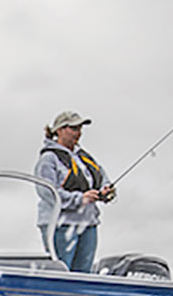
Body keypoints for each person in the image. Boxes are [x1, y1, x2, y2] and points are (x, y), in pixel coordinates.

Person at [33, 111, 115, 272]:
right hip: (60, 225)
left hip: (88, 223)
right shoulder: (48, 158)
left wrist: (106, 190)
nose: (78, 132)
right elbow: (47, 192)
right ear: (59, 130)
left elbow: (102, 177)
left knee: (83, 274)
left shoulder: (84, 157)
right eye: (73, 128)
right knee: (62, 272)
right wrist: (80, 198)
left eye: (79, 128)